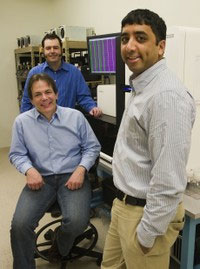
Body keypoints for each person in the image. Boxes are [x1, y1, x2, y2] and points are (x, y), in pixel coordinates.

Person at [101, 9, 196, 269]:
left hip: (145, 215)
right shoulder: (144, 84)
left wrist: (147, 235)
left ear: (161, 46)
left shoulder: (166, 96)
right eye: (124, 38)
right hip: (123, 205)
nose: (130, 46)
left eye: (140, 38)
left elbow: (168, 179)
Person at [9, 73, 101, 269]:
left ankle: (60, 243)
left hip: (72, 177)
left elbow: (92, 147)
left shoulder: (75, 117)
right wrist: (29, 170)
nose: (44, 98)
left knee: (77, 221)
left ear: (56, 94)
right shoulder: (22, 122)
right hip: (41, 179)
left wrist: (81, 169)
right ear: (31, 99)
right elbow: (16, 154)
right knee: (19, 225)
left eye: (48, 92)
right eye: (38, 94)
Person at [20, 32, 102, 117]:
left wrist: (92, 108)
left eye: (55, 48)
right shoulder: (34, 73)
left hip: (66, 123)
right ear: (43, 51)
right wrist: (25, 122)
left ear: (61, 50)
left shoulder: (74, 72)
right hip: (41, 125)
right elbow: (27, 101)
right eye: (48, 48)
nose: (52, 51)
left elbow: (84, 97)